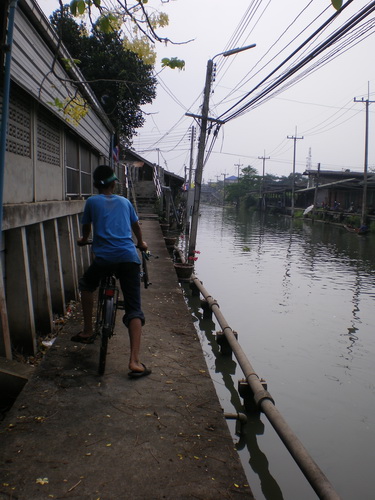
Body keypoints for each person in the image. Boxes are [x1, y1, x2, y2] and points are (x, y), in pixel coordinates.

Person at [72, 164, 151, 378]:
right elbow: (136, 228)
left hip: (104, 258)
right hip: (128, 257)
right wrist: (142, 243)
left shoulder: (91, 202)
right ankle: (134, 361)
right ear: (114, 183)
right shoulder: (125, 202)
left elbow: (86, 229)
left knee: (87, 285)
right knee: (134, 307)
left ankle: (88, 331)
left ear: (97, 185)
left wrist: (82, 240)